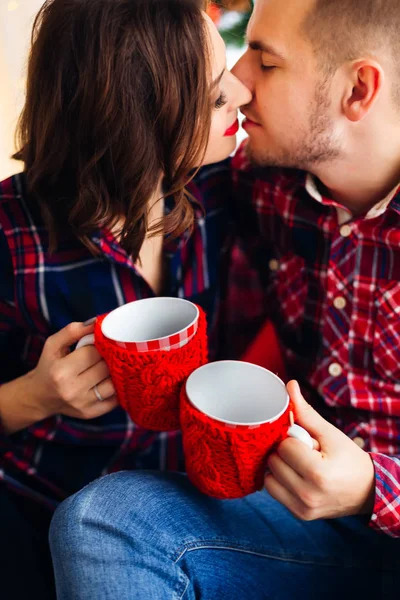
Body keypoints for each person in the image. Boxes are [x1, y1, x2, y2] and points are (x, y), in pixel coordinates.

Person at [49, 0, 400, 598]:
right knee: (103, 520)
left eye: (264, 59)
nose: (236, 81)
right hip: (295, 525)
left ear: (358, 90)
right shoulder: (262, 186)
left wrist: (374, 488)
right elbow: (138, 139)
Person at [0, 0, 253, 597]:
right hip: (29, 508)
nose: (240, 93)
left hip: (170, 518)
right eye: (215, 96)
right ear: (137, 119)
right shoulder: (10, 232)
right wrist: (34, 397)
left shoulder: (219, 191)